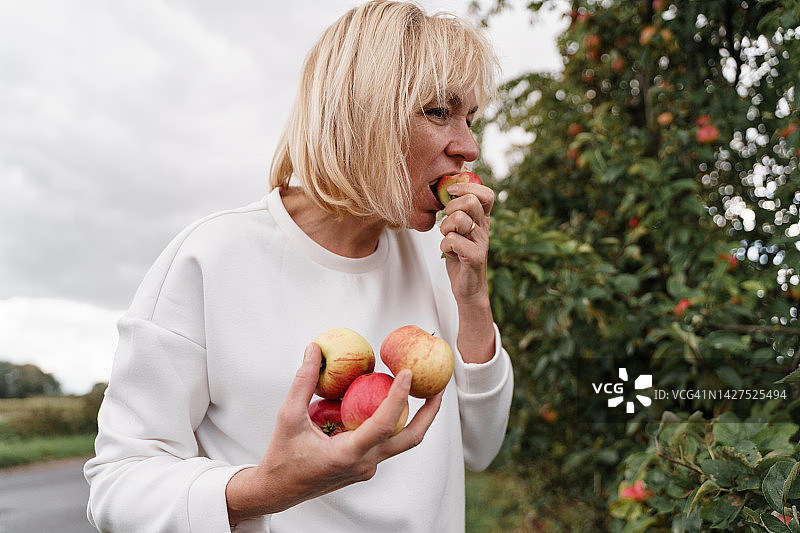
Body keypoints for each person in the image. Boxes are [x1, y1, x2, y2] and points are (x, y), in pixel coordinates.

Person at [84, 1, 514, 532]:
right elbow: (118, 486)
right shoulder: (212, 258)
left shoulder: (438, 258)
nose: (468, 146)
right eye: (438, 113)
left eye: (469, 118)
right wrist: (267, 489)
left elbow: (481, 445)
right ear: (361, 113)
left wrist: (472, 300)